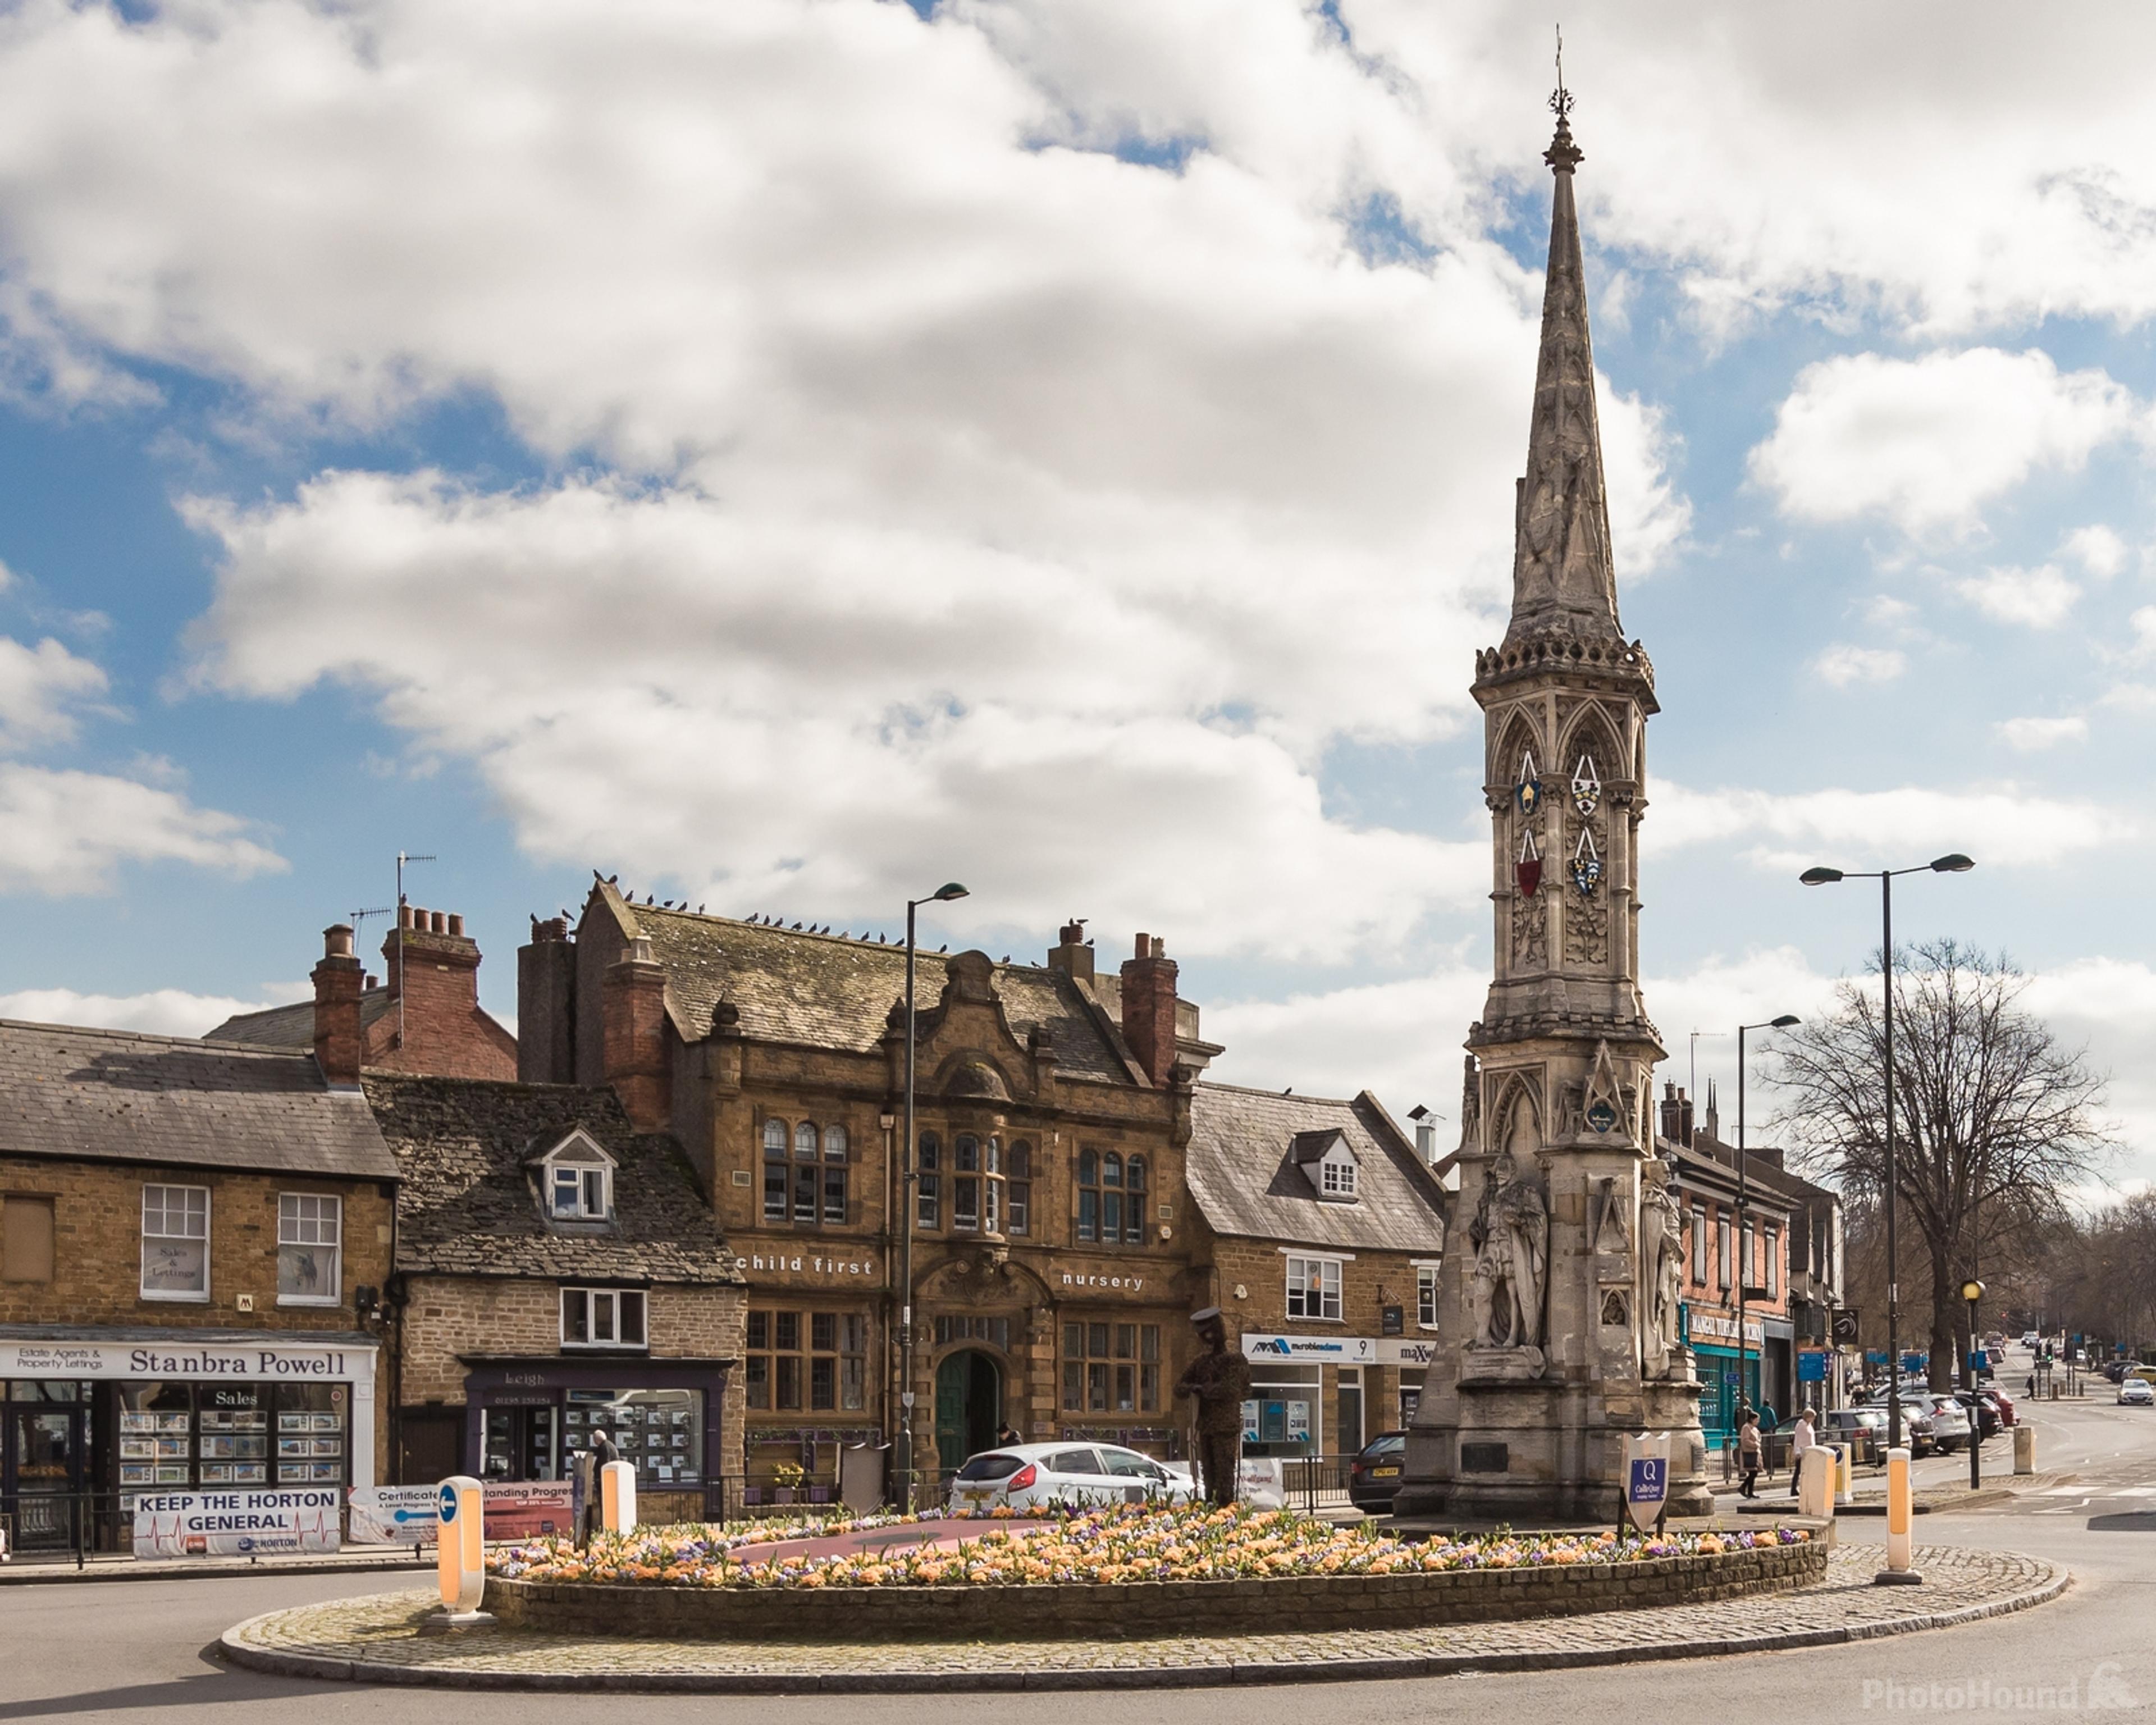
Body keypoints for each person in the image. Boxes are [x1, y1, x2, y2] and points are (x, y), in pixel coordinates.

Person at [1173, 1306, 1253, 1506]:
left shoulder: (1235, 1360)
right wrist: (1197, 1387)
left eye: (1209, 1333)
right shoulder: (1201, 1362)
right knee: (1208, 1471)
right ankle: (1211, 1504)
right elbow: (1179, 1388)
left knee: (1224, 1471)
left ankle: (1225, 1507)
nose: (1206, 1338)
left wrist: (1203, 1390)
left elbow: (1231, 1390)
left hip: (1226, 1426)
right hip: (1206, 1424)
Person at [1789, 1407, 1817, 1498]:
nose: (1813, 1419)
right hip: (1803, 1451)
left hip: (1809, 1451)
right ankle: (1794, 1489)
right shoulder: (1802, 1425)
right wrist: (1798, 1452)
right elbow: (1798, 1440)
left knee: (1804, 1471)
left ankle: (1802, 1487)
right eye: (1812, 1417)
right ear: (1808, 1417)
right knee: (1799, 1471)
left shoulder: (1808, 1425)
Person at [1737, 1412, 1764, 1499]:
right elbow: (1745, 1440)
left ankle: (1750, 1491)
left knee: (1754, 1473)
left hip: (1755, 1452)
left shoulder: (1754, 1428)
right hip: (1749, 1452)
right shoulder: (1746, 1428)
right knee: (1753, 1472)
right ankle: (1744, 1487)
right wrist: (1755, 1444)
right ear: (1752, 1419)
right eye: (1757, 1420)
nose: (1758, 1421)